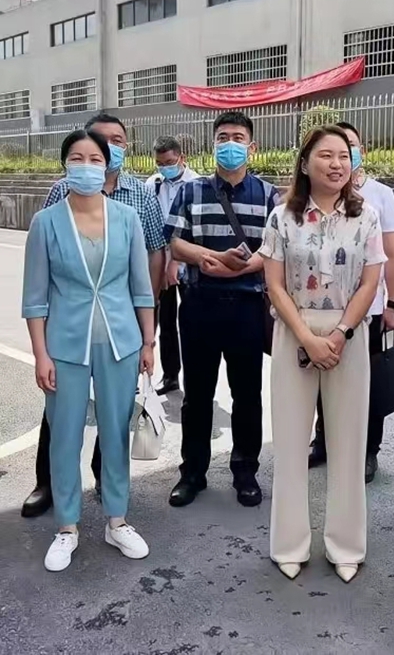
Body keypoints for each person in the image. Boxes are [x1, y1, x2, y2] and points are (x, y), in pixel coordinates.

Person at [22, 129, 156, 572]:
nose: (86, 166)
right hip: (65, 345)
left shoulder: (127, 218)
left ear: (107, 164)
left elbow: (141, 287)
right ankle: (67, 527)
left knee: (116, 432)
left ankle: (117, 520)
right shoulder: (46, 223)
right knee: (64, 434)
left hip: (121, 342)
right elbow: (35, 298)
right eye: (77, 158)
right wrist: (40, 354)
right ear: (65, 165)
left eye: (95, 159)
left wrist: (148, 342)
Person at [261, 125, 385, 584]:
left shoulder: (366, 216)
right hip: (294, 331)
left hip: (347, 334)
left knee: (348, 444)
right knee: (291, 443)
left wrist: (340, 333)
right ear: (305, 163)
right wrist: (307, 337)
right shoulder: (282, 217)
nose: (337, 164)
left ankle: (346, 545)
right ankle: (289, 544)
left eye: (344, 156)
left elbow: (370, 282)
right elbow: (275, 285)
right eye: (326, 155)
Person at [165, 111, 280, 509]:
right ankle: (192, 473)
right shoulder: (191, 191)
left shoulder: (268, 195)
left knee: (247, 394)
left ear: (252, 147)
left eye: (238, 138)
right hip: (199, 305)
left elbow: (274, 249)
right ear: (213, 144)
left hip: (246, 307)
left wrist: (240, 268)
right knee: (197, 395)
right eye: (223, 137)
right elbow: (175, 242)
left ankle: (245, 471)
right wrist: (208, 258)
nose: (230, 144)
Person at [308, 121, 394, 483]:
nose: (340, 158)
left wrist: (393, 303)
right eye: (331, 150)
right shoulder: (316, 196)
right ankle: (323, 441)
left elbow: (392, 252)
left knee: (367, 383)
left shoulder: (380, 195)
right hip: (323, 306)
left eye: (349, 148)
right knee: (320, 375)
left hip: (368, 309)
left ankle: (367, 449)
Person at [146, 136, 199, 396]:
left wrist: (178, 260)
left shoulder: (197, 184)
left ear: (181, 158)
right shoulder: (153, 185)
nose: (164, 168)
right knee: (165, 322)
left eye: (169, 162)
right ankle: (170, 376)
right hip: (162, 261)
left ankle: (196, 379)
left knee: (192, 324)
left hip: (190, 263)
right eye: (160, 163)